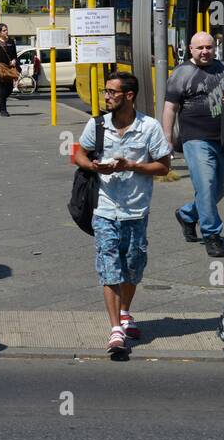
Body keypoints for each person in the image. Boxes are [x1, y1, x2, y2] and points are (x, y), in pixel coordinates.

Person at [72, 72, 172, 354]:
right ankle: (116, 328)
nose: (106, 96)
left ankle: (125, 312)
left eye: (112, 92)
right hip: (104, 207)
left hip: (137, 209)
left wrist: (132, 166)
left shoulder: (149, 127)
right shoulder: (98, 124)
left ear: (129, 96)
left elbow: (164, 166)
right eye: (106, 91)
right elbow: (79, 153)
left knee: (132, 268)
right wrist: (92, 167)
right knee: (109, 268)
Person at [163, 31, 224, 258]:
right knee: (206, 185)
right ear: (190, 49)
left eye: (209, 47)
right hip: (196, 138)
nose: (205, 51)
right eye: (200, 48)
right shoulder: (181, 73)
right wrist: (167, 139)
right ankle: (212, 234)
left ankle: (188, 214)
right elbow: (170, 107)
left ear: (214, 47)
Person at [0, 23, 18, 117]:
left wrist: (14, 60)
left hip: (9, 69)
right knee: (2, 89)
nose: (6, 31)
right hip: (0, 69)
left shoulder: (11, 41)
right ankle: (3, 110)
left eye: (6, 29)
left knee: (9, 89)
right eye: (4, 30)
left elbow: (15, 55)